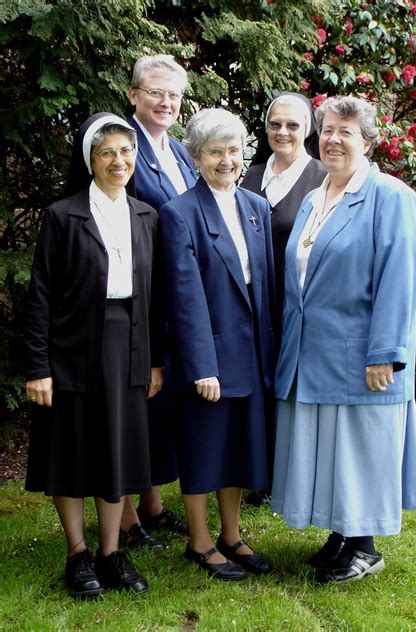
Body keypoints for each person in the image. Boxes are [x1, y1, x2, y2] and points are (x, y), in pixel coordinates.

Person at [271, 96, 416, 583]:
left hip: (361, 351)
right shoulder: (316, 197)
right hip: (313, 351)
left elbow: (399, 279)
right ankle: (341, 535)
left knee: (359, 450)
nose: (334, 139)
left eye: (346, 131)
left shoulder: (390, 195)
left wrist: (386, 353)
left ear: (367, 140)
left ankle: (365, 546)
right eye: (328, 130)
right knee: (330, 447)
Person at [24, 112, 163, 597]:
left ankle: (111, 554)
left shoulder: (147, 215)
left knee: (117, 450)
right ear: (90, 160)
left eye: (126, 152)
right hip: (71, 347)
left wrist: (153, 360)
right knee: (72, 449)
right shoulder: (63, 216)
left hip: (128, 345)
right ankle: (77, 554)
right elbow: (40, 293)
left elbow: (155, 296)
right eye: (107, 152)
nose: (118, 161)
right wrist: (38, 366)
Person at [159, 108, 275, 581]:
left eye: (233, 150)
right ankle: (200, 541)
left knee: (239, 450)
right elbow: (184, 297)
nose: (226, 160)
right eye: (214, 152)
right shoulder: (179, 213)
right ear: (195, 156)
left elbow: (267, 287)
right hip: (209, 358)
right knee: (205, 450)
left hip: (252, 355)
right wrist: (201, 365)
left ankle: (232, 535)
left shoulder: (256, 206)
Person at [120, 54, 196, 546]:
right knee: (132, 402)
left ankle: (150, 504)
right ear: (133, 95)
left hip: (171, 295)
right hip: (135, 294)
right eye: (155, 92)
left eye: (173, 94)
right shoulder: (121, 145)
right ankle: (124, 520)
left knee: (157, 404)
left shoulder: (180, 151)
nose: (166, 102)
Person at [241, 94, 326, 505]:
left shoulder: (324, 178)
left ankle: (284, 476)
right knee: (257, 385)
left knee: (288, 390)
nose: (283, 132)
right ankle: (256, 473)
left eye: (292, 125)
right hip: (251, 303)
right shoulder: (250, 175)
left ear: (307, 128)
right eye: (275, 124)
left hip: (297, 305)